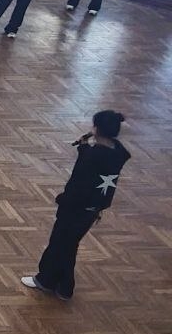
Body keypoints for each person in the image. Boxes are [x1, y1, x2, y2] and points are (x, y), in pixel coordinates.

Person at [22, 111, 131, 301]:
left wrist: (62, 200)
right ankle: (64, 287)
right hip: (93, 210)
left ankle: (46, 281)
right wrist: (85, 148)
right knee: (69, 245)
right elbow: (97, 167)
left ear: (96, 129)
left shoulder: (91, 157)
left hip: (75, 209)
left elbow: (78, 184)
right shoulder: (118, 152)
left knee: (58, 244)